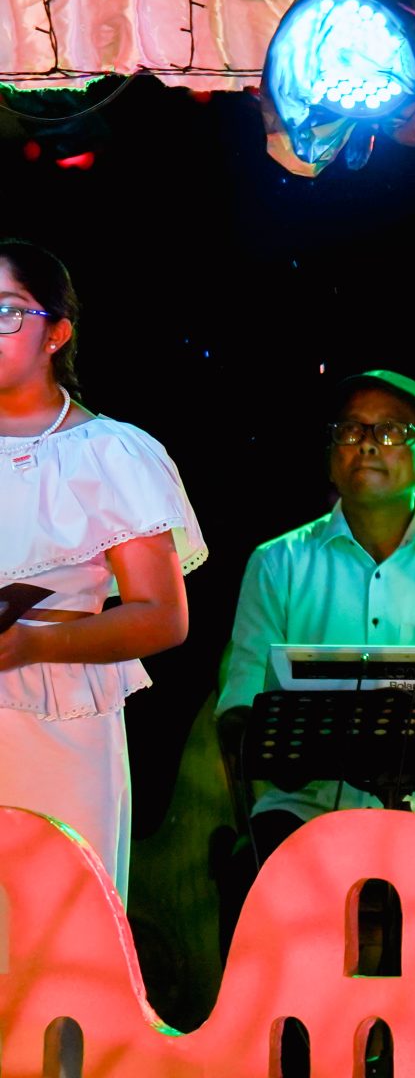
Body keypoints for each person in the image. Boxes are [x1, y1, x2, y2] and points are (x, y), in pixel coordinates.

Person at [215, 369, 415, 958]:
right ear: (329, 457)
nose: (368, 444)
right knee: (247, 882)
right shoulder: (276, 564)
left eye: (391, 432)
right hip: (305, 811)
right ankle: (285, 1051)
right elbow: (240, 703)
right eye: (351, 430)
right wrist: (264, 746)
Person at [0, 238, 202, 896]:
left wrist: (33, 642)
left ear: (56, 332)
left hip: (58, 719)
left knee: (58, 923)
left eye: (7, 312)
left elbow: (162, 617)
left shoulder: (110, 453)